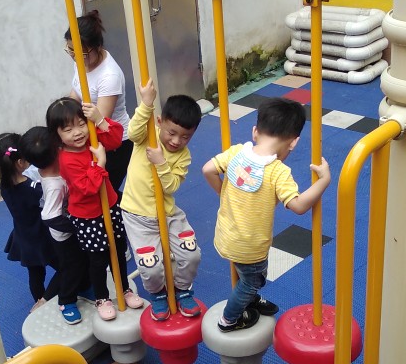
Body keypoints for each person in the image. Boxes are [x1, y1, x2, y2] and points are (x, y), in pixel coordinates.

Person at [202, 97, 331, 332]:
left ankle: (249, 299)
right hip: (251, 247)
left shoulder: (236, 152)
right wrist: (324, 181)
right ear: (293, 143)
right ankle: (229, 319)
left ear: (255, 131)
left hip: (225, 235)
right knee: (253, 280)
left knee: (243, 272)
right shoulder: (278, 171)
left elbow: (208, 169)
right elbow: (299, 206)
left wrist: (223, 193)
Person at [46, 96, 143, 321]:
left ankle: (124, 288)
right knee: (98, 258)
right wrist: (100, 163)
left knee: (118, 250)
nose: (77, 132)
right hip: (88, 216)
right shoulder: (66, 159)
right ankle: (102, 298)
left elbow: (116, 140)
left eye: (81, 124)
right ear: (57, 135)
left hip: (109, 204)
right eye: (68, 129)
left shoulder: (92, 136)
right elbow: (88, 188)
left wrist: (99, 120)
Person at [120, 79, 202, 321]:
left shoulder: (183, 156)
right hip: (137, 215)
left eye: (185, 137)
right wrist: (146, 103)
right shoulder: (148, 136)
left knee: (192, 255)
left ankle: (182, 289)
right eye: (172, 132)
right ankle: (157, 294)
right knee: (151, 266)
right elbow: (131, 132)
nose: (176, 141)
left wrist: (161, 163)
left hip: (168, 214)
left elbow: (171, 186)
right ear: (159, 122)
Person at [0, 131, 70, 313]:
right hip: (42, 236)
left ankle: (37, 299)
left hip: (23, 236)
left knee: (35, 273)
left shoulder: (5, 186)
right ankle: (44, 300)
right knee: (66, 266)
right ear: (21, 162)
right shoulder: (33, 189)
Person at [17, 125, 91, 323]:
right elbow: (49, 216)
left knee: (83, 262)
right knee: (71, 267)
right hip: (64, 236)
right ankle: (66, 300)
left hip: (68, 227)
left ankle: (84, 287)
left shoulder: (51, 170)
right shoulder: (54, 185)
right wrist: (76, 227)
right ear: (57, 149)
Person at [65, 10, 132, 193]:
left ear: (98, 46)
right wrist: (63, 116)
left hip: (114, 143)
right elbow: (76, 92)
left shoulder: (109, 76)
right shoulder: (82, 59)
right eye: (70, 50)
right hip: (91, 136)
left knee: (103, 193)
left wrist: (69, 134)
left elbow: (100, 121)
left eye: (82, 53)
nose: (75, 56)